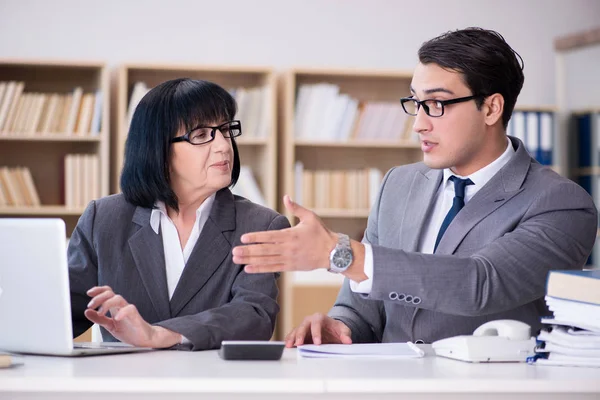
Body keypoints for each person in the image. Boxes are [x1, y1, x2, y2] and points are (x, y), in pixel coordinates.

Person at [232, 27, 598, 347]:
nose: (418, 124)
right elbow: (365, 304)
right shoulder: (399, 184)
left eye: (436, 103)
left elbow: (480, 283)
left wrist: (339, 253)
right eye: (415, 103)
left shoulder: (561, 203)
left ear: (491, 108)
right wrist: (341, 326)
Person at [69, 78, 289, 350]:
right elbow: (61, 311)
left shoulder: (262, 225)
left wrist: (161, 334)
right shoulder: (103, 219)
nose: (223, 145)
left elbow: (253, 316)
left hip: (213, 386)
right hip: (125, 386)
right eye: (201, 135)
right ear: (158, 149)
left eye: (225, 130)